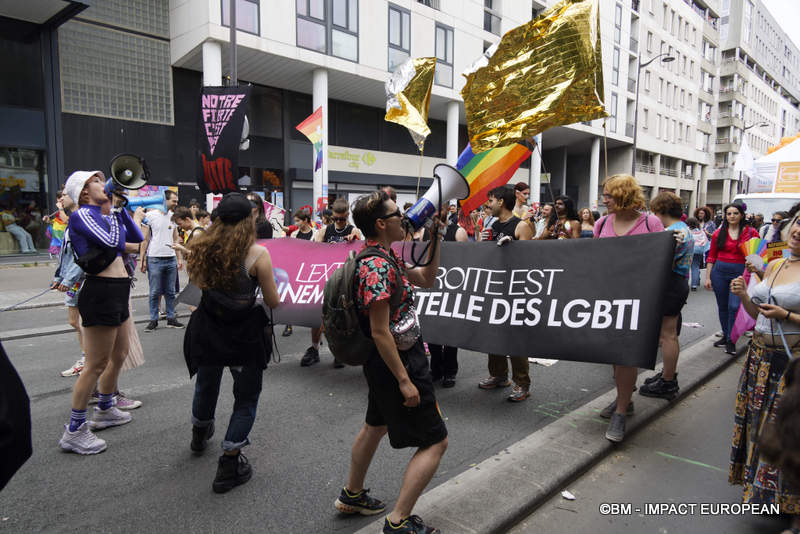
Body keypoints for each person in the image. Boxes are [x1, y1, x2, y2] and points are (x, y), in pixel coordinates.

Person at [335, 190, 447, 534]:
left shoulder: (385, 257)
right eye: (399, 214)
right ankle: (398, 522)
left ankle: (352, 495)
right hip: (398, 362)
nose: (406, 218)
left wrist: (436, 236)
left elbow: (427, 279)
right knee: (435, 441)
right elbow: (380, 331)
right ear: (382, 223)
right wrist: (404, 380)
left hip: (384, 361)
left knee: (375, 425)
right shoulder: (378, 267)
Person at [184, 192, 280, 493]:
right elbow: (273, 301)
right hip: (243, 335)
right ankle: (229, 461)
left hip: (209, 328)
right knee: (246, 397)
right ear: (248, 221)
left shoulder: (199, 248)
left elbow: (198, 288)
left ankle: (200, 433)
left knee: (206, 383)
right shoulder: (258, 255)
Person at [57, 170, 144, 454]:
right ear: (83, 192)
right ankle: (74, 430)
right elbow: (112, 243)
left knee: (118, 355)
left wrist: (120, 211)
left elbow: (137, 236)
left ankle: (106, 409)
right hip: (100, 292)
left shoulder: (104, 215)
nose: (103, 184)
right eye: (96, 181)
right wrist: (115, 212)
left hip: (118, 290)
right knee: (95, 363)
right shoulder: (82, 215)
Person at [729, 214, 800, 525]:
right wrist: (745, 294)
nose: (798, 230)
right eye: (798, 222)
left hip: (790, 363)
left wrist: (786, 313)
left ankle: (787, 499)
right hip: (758, 357)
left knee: (783, 430)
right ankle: (760, 494)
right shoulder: (775, 265)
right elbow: (757, 313)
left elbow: (778, 313)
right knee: (757, 427)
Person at [594, 174, 665, 442]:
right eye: (604, 194)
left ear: (624, 194)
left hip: (638, 299)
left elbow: (660, 263)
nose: (604, 199)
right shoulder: (601, 223)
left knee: (627, 354)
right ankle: (625, 398)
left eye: (609, 195)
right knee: (614, 354)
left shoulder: (650, 222)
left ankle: (621, 413)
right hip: (608, 298)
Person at [477, 185, 534, 402]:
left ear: (501, 201)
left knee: (514, 337)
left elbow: (529, 262)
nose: (487, 205)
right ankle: (499, 375)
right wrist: (483, 243)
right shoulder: (491, 225)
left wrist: (514, 248)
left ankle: (522, 383)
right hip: (494, 288)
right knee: (494, 333)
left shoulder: (521, 226)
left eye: (490, 200)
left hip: (515, 292)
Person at [639, 192, 693, 400]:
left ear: (660, 211)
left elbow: (661, 263)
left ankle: (668, 381)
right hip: (678, 283)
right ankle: (668, 374)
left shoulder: (671, 232)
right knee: (669, 333)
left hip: (670, 283)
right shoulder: (682, 228)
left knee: (667, 335)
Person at [704, 203, 759, 354]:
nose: (732, 216)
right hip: (719, 272)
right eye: (729, 213)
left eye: (735, 213)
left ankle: (731, 339)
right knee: (722, 306)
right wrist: (708, 277)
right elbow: (711, 256)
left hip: (740, 272)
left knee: (734, 306)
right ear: (725, 216)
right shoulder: (718, 233)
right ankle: (726, 335)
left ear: (741, 215)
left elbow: (759, 255)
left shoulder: (751, 232)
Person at [52, 189, 87, 378]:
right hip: (73, 279)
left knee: (82, 322)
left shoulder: (80, 220)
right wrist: (58, 278)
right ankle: (87, 358)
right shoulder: (74, 219)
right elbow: (66, 253)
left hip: (81, 280)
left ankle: (87, 359)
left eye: (65, 194)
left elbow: (81, 256)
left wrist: (67, 279)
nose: (60, 199)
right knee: (75, 321)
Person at [140, 190, 184, 332]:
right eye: (174, 201)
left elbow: (176, 238)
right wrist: (142, 260)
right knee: (154, 292)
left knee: (170, 291)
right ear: (164, 201)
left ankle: (171, 318)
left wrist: (179, 258)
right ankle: (153, 320)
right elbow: (145, 239)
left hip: (170, 258)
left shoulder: (173, 217)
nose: (176, 203)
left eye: (177, 201)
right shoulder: (150, 216)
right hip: (154, 259)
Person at [686, 217, 707, 291]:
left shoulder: (687, 230)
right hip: (699, 251)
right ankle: (694, 285)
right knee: (696, 267)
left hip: (689, 250)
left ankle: (685, 283)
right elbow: (705, 240)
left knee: (686, 267)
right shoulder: (701, 231)